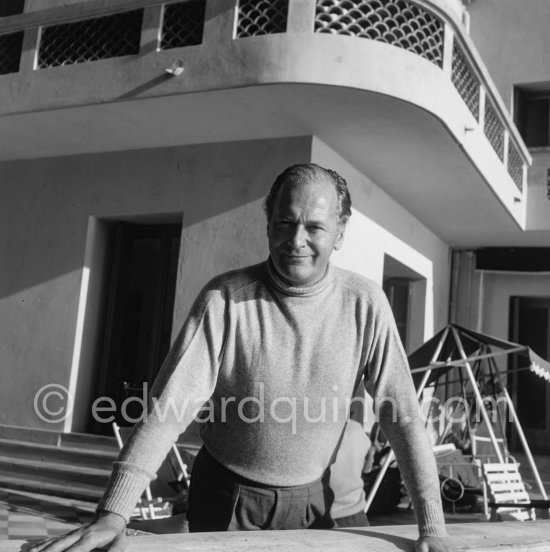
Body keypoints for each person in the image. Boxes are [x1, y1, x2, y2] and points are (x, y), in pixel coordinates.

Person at [32, 163, 454, 552]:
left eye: (314, 227)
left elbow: (401, 416)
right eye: (285, 223)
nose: (297, 241)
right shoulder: (225, 298)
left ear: (340, 232)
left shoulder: (365, 303)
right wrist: (113, 512)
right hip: (226, 498)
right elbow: (168, 408)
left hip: (314, 501)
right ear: (268, 222)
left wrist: (432, 527)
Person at [329, 418, 371, 527]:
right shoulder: (356, 428)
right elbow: (368, 467)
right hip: (355, 514)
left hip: (321, 515)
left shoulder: (306, 430)